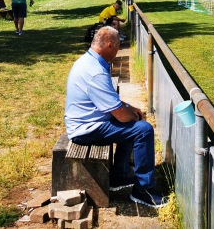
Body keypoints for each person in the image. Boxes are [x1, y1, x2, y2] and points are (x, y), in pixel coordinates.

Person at [64, 26, 169, 208]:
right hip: (85, 129)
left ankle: (119, 176)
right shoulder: (95, 71)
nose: (120, 49)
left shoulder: (90, 61)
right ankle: (143, 190)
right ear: (110, 45)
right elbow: (120, 115)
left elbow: (113, 104)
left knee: (131, 120)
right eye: (119, 45)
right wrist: (133, 115)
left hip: (88, 121)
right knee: (142, 130)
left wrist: (131, 108)